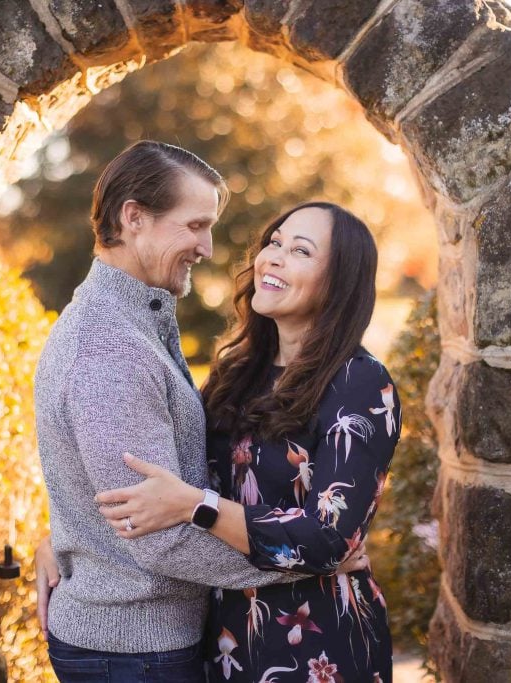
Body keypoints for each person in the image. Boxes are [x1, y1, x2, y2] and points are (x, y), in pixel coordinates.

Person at [32, 141, 369, 683]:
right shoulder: (110, 345)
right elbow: (158, 535)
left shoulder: (139, 321)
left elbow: (136, 494)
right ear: (135, 218)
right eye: (195, 226)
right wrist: (307, 563)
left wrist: (67, 535)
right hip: (134, 650)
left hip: (154, 641)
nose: (208, 248)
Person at [90, 201, 402, 681]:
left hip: (319, 644)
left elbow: (328, 539)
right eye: (274, 242)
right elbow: (153, 475)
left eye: (300, 251)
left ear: (337, 283)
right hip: (227, 639)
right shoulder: (237, 373)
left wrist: (200, 507)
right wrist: (69, 541)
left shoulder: (360, 384)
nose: (272, 257)